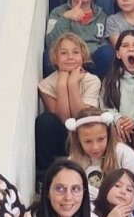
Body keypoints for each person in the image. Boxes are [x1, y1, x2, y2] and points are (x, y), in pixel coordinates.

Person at [34, 33, 101, 179]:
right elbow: (63, 119)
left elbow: (83, 116)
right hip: (61, 138)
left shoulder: (92, 81)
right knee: (45, 120)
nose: (70, 57)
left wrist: (72, 85)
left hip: (85, 133)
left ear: (83, 57)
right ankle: (45, 173)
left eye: (75, 52)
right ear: (55, 59)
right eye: (64, 53)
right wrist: (62, 85)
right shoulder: (46, 84)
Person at [65, 108, 134, 201]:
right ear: (78, 140)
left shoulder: (122, 152)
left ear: (108, 134)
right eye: (88, 141)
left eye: (100, 139)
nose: (95, 147)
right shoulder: (74, 161)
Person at [44, 0, 110, 78]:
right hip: (66, 64)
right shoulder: (57, 12)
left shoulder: (102, 16)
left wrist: (86, 57)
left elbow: (104, 45)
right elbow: (50, 43)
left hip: (91, 66)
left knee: (108, 53)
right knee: (46, 58)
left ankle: (92, 84)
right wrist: (66, 17)